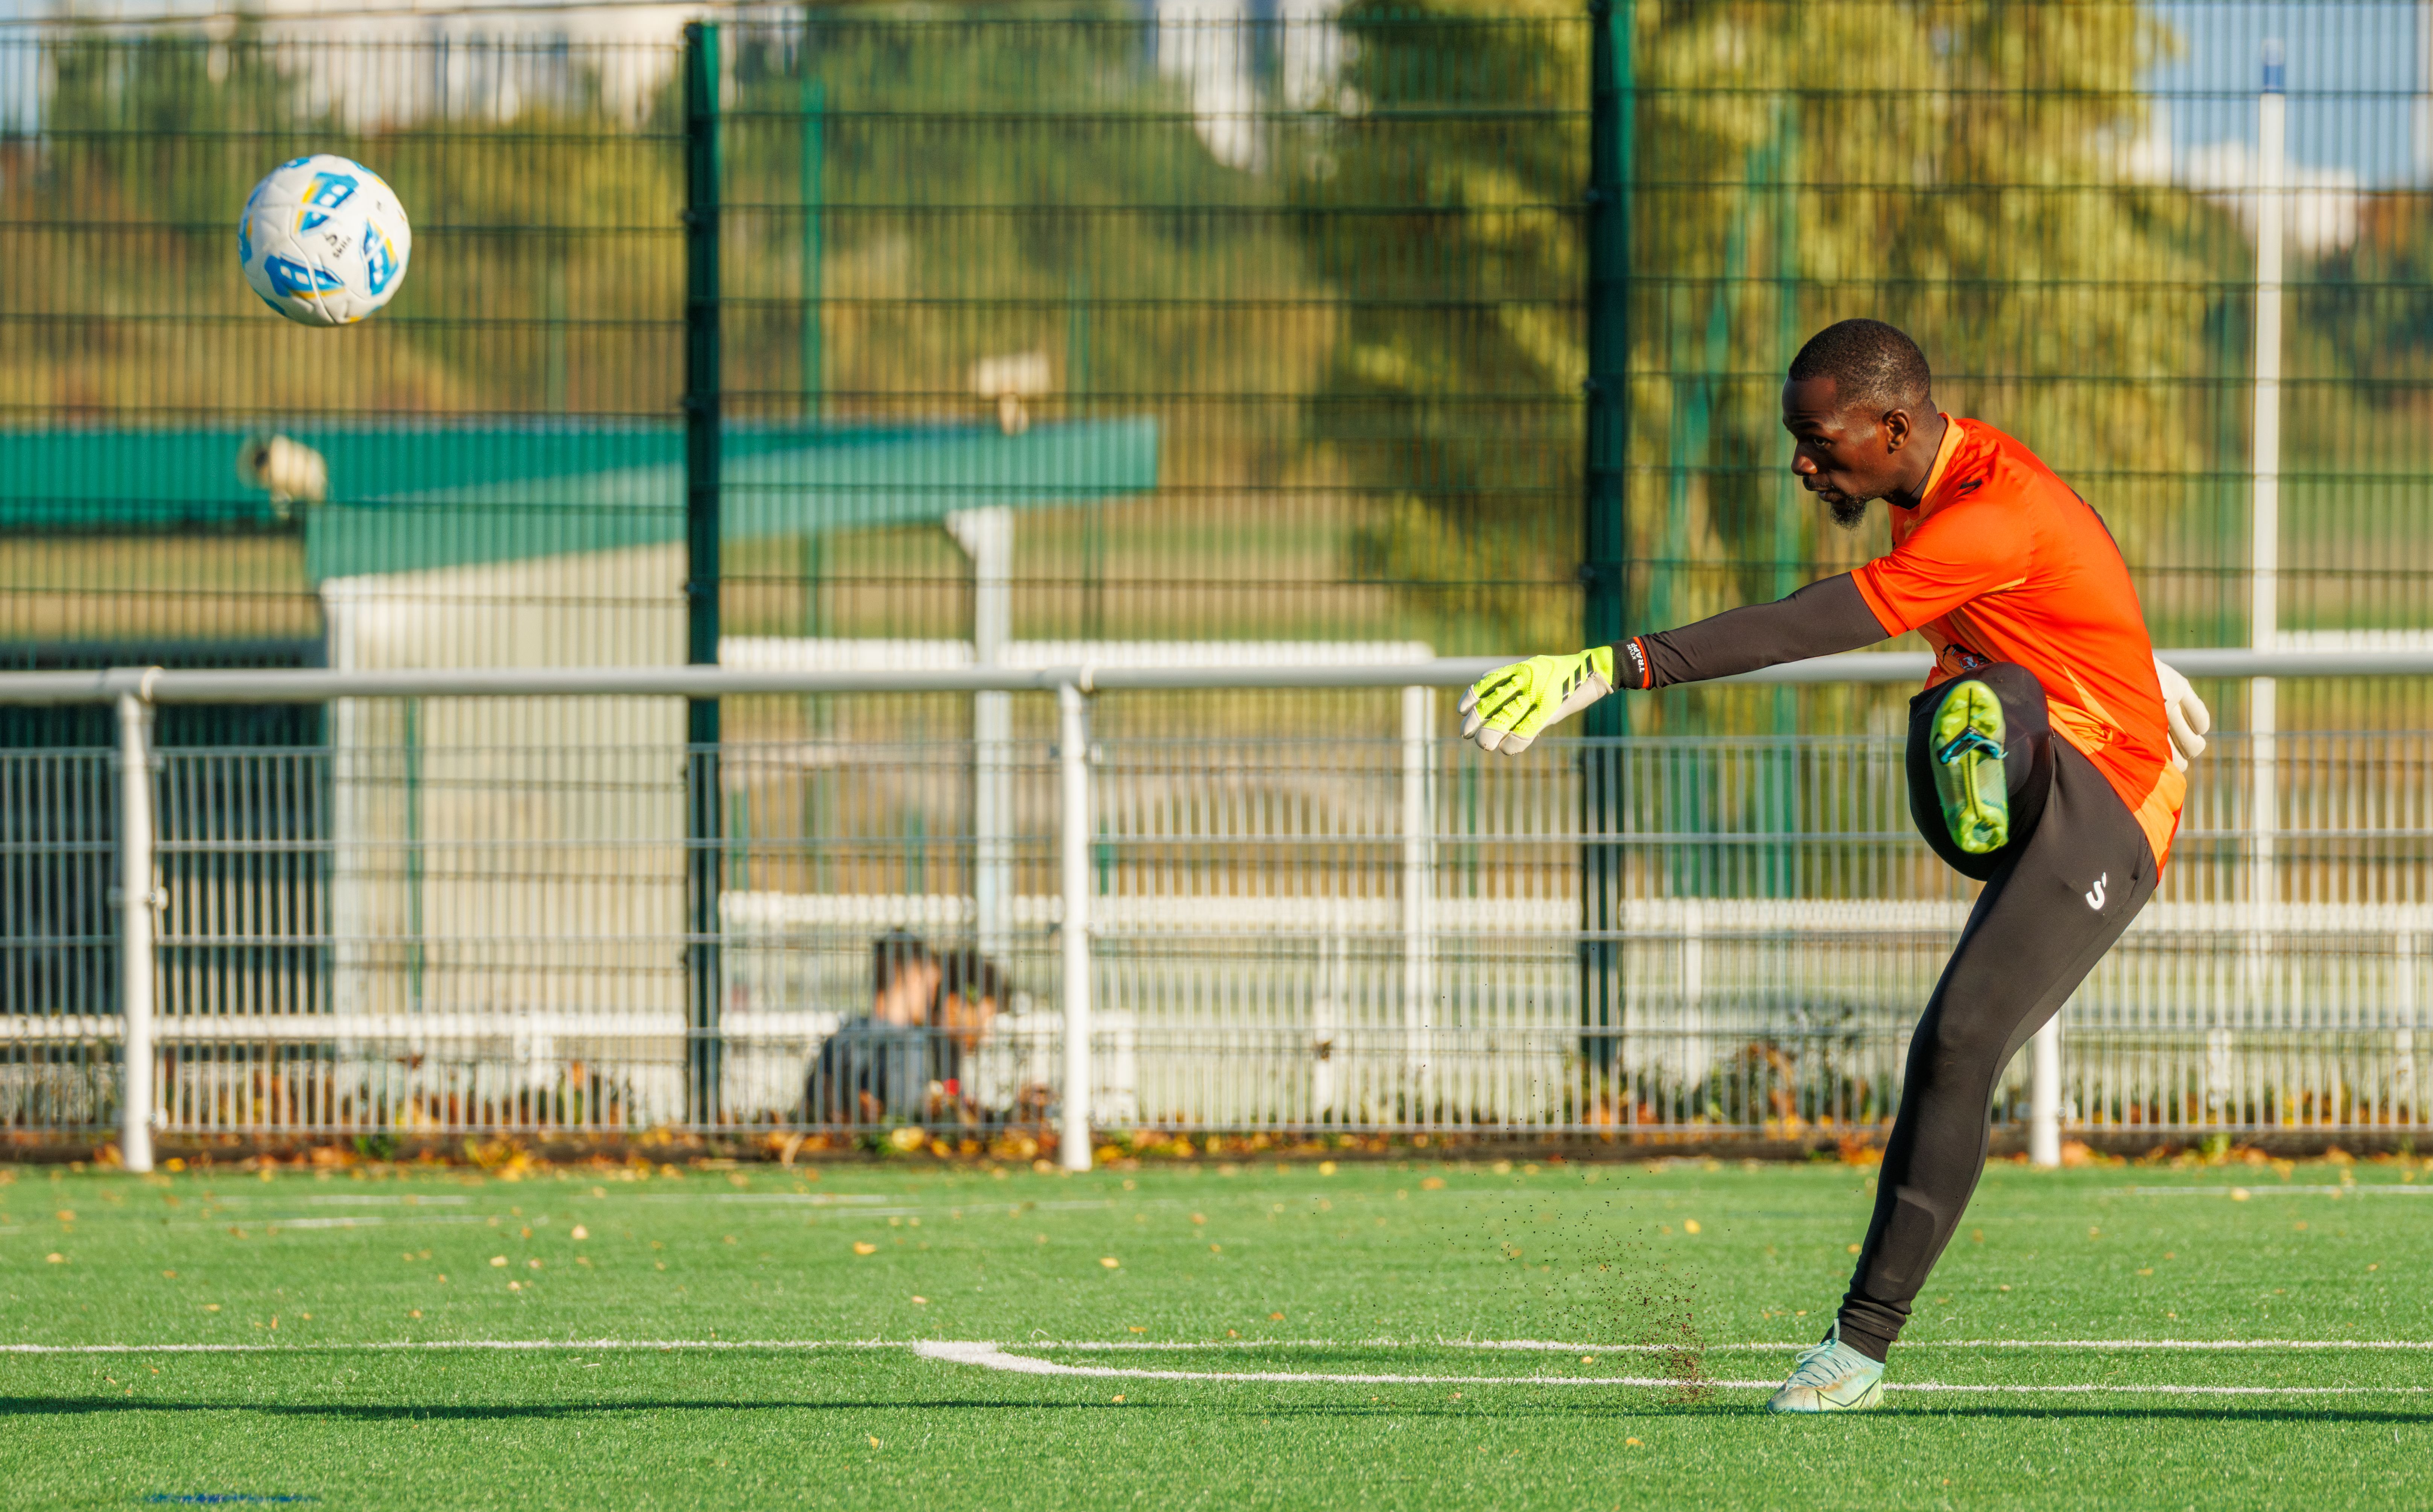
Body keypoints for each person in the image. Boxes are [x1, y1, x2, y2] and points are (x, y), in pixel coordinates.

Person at [1460, 318, 2212, 1413]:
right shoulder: (1958, 478)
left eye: (1817, 442)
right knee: (1973, 705)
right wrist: (2129, 646)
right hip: (2046, 763)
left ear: (1893, 425)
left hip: (2113, 806)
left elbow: (1807, 624)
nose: (1802, 464)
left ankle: (1856, 1349)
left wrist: (1617, 665)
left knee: (1956, 1037)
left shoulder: (1982, 515)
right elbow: (2070, 525)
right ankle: (1986, 787)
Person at [804, 932, 943, 1126]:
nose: (933, 999)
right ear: (913, 977)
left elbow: (813, 1098)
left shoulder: (844, 1036)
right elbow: (908, 1112)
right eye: (931, 986)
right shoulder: (911, 1043)